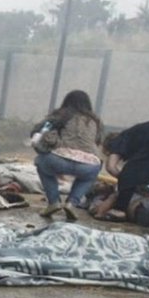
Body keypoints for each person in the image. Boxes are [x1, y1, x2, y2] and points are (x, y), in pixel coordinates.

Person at [32, 90, 103, 220]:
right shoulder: (95, 121)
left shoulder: (61, 115)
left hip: (58, 159)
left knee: (40, 162)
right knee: (87, 178)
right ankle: (72, 203)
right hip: (88, 164)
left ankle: (54, 202)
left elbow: (37, 130)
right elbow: (97, 141)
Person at [90, 119, 149, 219]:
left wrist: (124, 182)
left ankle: (119, 210)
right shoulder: (138, 136)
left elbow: (111, 167)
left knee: (130, 172)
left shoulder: (120, 140)